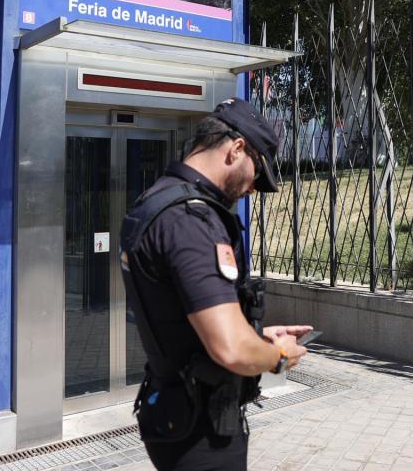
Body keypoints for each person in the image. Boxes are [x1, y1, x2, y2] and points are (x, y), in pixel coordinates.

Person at [119, 97, 310, 471]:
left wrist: (257, 336)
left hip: (176, 411)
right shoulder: (190, 222)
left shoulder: (158, 199)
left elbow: (184, 318)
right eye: (257, 172)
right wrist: (278, 356)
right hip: (200, 430)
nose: (253, 188)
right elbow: (229, 349)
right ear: (236, 149)